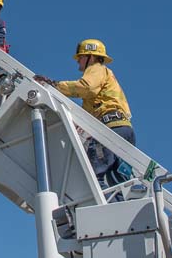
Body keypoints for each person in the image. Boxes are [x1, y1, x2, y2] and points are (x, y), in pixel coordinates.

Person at [34, 39, 135, 193]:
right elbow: (88, 110)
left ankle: (105, 213)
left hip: (110, 130)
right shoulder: (106, 82)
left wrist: (55, 85)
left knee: (92, 177)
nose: (78, 62)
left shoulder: (96, 69)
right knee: (116, 183)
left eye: (81, 57)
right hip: (123, 129)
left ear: (91, 57)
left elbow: (85, 87)